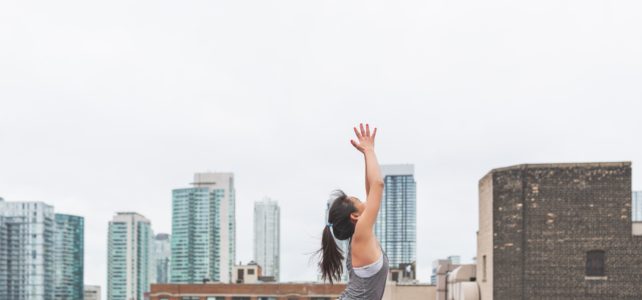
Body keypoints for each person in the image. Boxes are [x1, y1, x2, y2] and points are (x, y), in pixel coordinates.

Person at [318, 123, 389, 300]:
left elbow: (372, 188)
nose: (365, 199)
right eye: (358, 200)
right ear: (355, 216)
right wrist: (370, 150)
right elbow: (377, 185)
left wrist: (366, 154)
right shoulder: (360, 235)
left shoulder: (361, 237)